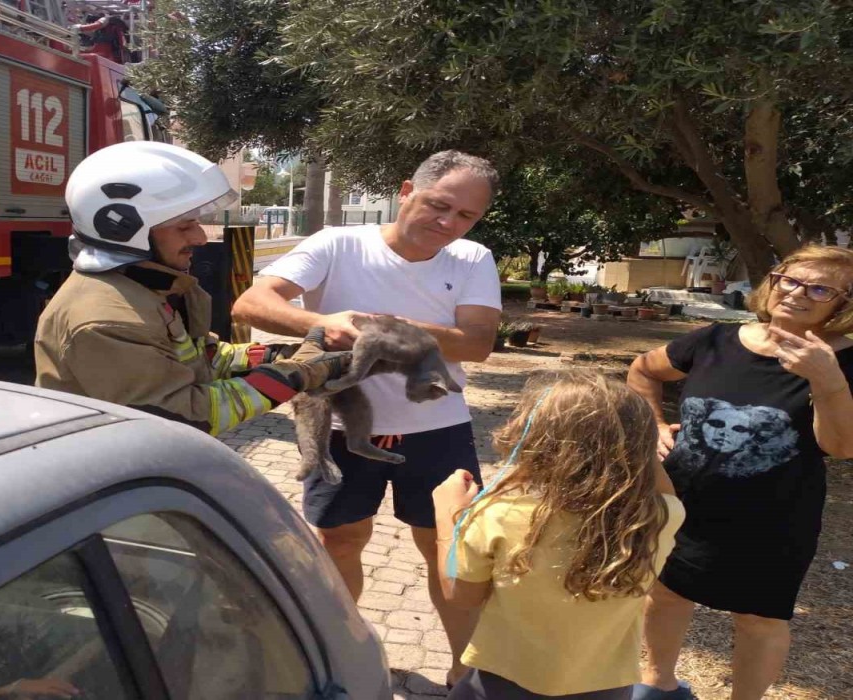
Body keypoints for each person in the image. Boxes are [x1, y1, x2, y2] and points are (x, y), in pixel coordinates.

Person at [232, 150, 503, 685]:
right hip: (340, 424)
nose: (448, 223)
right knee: (341, 541)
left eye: (465, 216)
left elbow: (477, 344)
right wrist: (321, 320)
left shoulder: (472, 259)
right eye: (438, 205)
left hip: (437, 428)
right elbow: (251, 304)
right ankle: (341, 660)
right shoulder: (337, 244)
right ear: (406, 191)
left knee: (449, 550)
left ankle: (464, 676)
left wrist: (389, 327)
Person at [627, 244, 853, 700]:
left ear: (842, 305)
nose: (796, 292)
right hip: (683, 505)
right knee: (667, 594)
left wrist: (825, 379)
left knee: (759, 619)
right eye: (788, 279)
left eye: (820, 288)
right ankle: (658, 684)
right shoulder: (714, 340)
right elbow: (642, 370)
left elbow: (841, 447)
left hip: (774, 521)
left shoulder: (843, 362)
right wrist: (651, 425)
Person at [34, 141, 350, 436]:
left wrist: (276, 354)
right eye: (185, 226)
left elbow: (204, 359)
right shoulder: (108, 321)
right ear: (122, 227)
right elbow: (190, 414)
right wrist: (297, 374)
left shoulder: (142, 290)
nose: (200, 238)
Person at [431, 371, 686, 700]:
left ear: (535, 441)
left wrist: (447, 516)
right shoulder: (659, 518)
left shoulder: (500, 515)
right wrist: (632, 442)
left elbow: (460, 596)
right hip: (606, 687)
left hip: (502, 683)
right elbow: (664, 491)